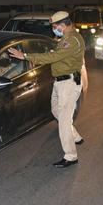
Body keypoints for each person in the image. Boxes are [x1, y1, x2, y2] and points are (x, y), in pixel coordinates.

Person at [8, 11, 85, 168]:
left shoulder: (72, 40)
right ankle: (75, 136)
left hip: (68, 84)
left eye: (56, 26)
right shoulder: (65, 38)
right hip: (60, 83)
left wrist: (24, 56)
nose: (54, 29)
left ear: (63, 25)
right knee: (56, 111)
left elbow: (52, 58)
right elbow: (57, 54)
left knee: (63, 121)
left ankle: (71, 156)